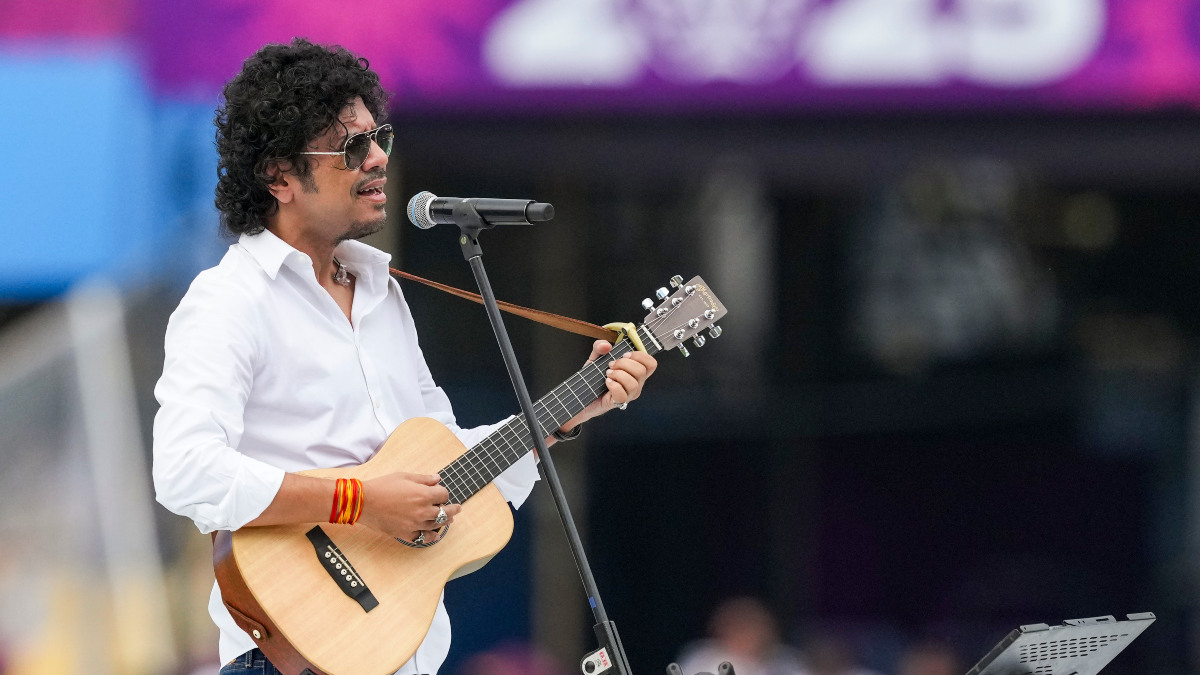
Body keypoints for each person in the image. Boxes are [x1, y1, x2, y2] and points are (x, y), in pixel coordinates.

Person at [152, 38, 656, 675]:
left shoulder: (383, 296)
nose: (379, 158)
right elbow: (186, 472)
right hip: (291, 655)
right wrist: (359, 502)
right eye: (350, 147)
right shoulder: (228, 301)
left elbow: (447, 470)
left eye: (379, 135)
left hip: (401, 652)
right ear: (278, 176)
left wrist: (575, 405)